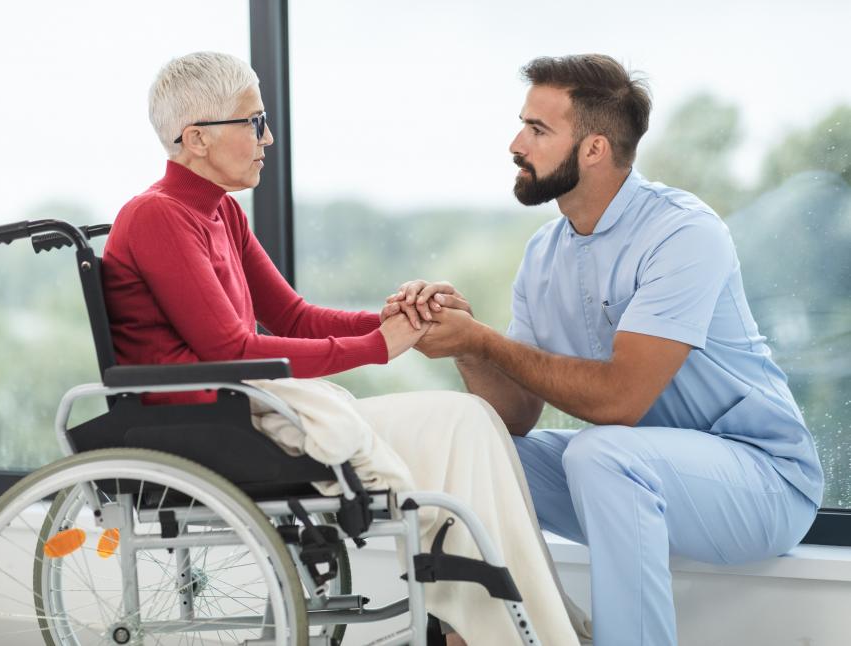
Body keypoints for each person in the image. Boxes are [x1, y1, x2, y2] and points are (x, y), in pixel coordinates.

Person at [101, 51, 585, 646]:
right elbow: (231, 347)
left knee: (472, 418)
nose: (267, 137)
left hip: (250, 409)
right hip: (218, 423)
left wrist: (397, 316)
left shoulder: (221, 212)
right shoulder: (157, 216)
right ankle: (499, 628)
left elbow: (293, 316)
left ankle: (490, 622)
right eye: (253, 122)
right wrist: (380, 347)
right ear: (196, 139)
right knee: (459, 423)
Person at [399, 54, 824, 646]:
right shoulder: (543, 253)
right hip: (638, 475)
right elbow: (517, 418)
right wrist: (466, 345)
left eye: (538, 130)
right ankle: (510, 633)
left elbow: (621, 400)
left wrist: (485, 340)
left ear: (594, 149)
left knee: (601, 452)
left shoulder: (683, 233)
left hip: (761, 482)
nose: (516, 143)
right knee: (481, 449)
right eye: (523, 124)